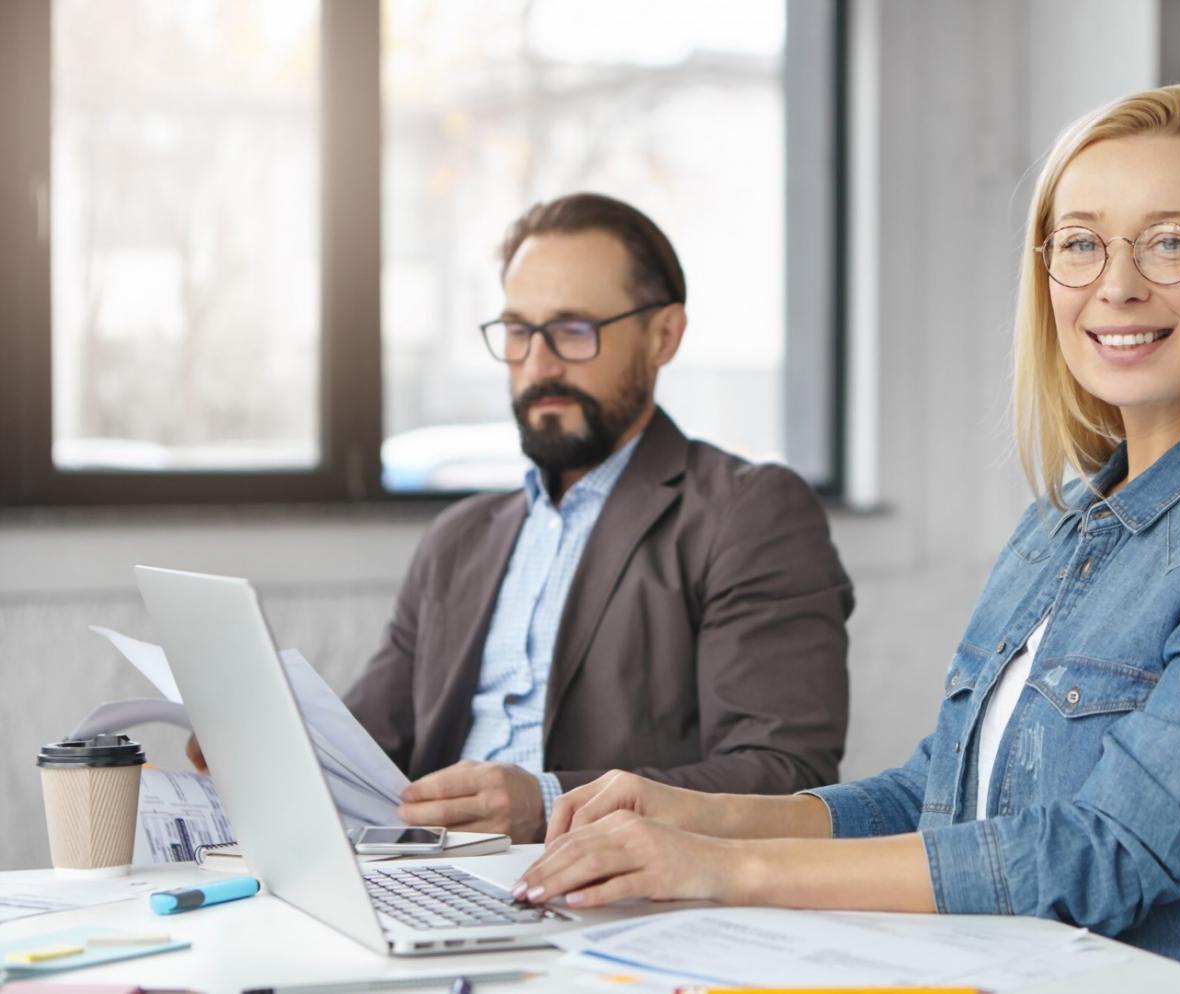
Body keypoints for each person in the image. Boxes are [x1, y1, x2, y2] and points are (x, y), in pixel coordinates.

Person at [513, 87, 1180, 994]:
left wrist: (722, 871)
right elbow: (935, 799)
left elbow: (1103, 855)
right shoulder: (1061, 523)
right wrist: (700, 819)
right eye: (1081, 243)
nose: (1118, 283)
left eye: (1171, 241)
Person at [190, 193, 853, 844]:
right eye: (517, 331)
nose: (538, 366)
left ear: (663, 336)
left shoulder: (747, 515)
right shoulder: (460, 540)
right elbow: (367, 748)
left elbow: (782, 776)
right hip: (434, 880)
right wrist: (267, 752)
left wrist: (547, 803)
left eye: (572, 331)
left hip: (614, 894)